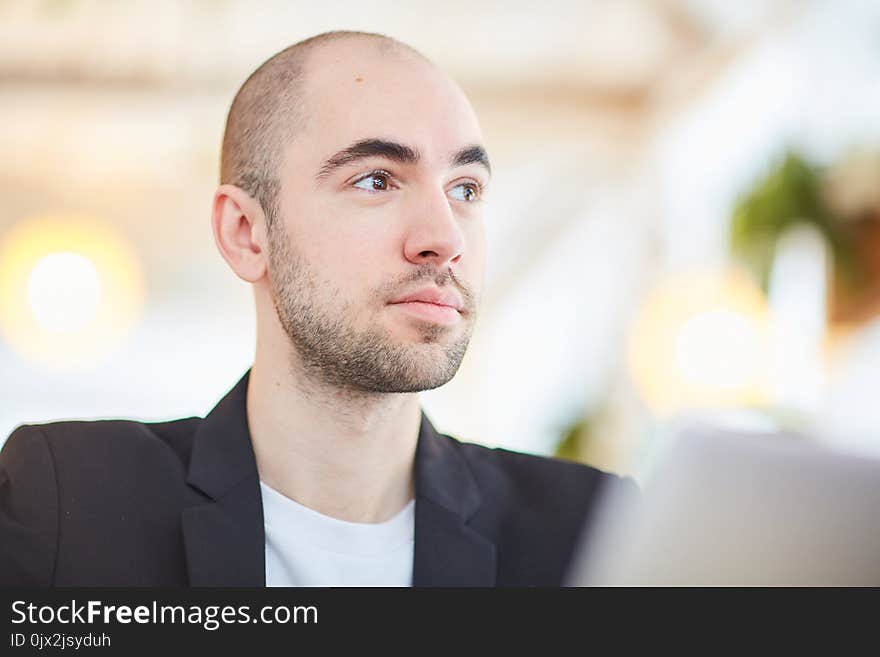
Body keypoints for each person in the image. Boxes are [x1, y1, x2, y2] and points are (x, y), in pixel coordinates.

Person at [0, 30, 636, 587]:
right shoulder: (67, 504)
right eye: (376, 180)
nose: (446, 237)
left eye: (465, 188)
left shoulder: (590, 538)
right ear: (247, 233)